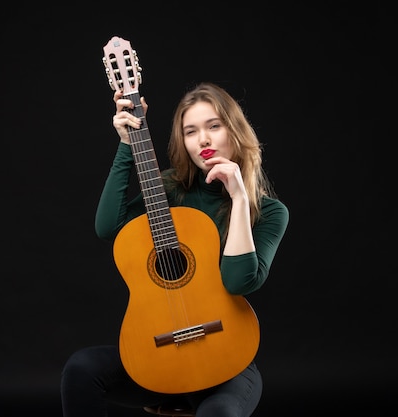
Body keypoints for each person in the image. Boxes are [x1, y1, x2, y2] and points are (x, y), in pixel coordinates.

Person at [60, 82, 289, 417]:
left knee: (220, 413)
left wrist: (240, 198)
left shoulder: (269, 212)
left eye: (214, 126)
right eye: (191, 131)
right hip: (159, 354)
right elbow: (108, 227)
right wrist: (127, 145)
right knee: (81, 369)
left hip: (226, 358)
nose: (204, 140)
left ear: (235, 131)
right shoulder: (169, 189)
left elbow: (239, 282)